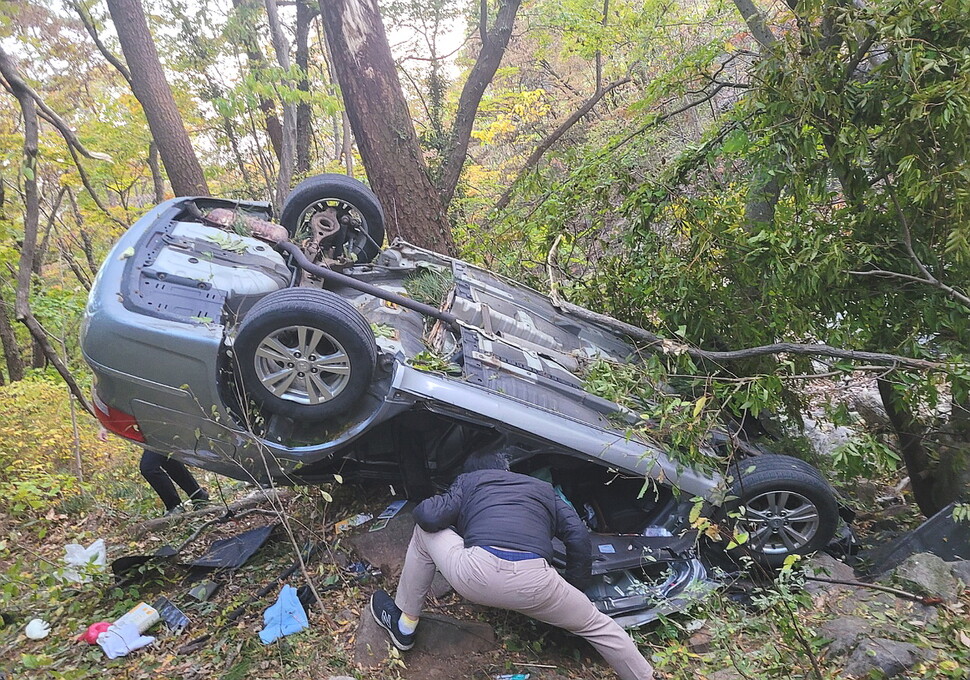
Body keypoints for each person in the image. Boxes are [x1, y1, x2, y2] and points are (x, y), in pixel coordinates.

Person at [369, 450, 656, 680]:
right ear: (506, 469)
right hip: (538, 583)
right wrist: (573, 586)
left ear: (474, 472)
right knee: (598, 626)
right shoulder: (543, 489)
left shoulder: (471, 481)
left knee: (423, 533)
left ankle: (404, 626)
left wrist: (450, 499)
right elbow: (578, 537)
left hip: (477, 574)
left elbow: (429, 517)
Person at [99, 428, 209, 515]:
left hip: (165, 427)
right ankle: (198, 495)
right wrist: (104, 426)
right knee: (167, 460)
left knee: (148, 468)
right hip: (152, 431)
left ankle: (175, 506)